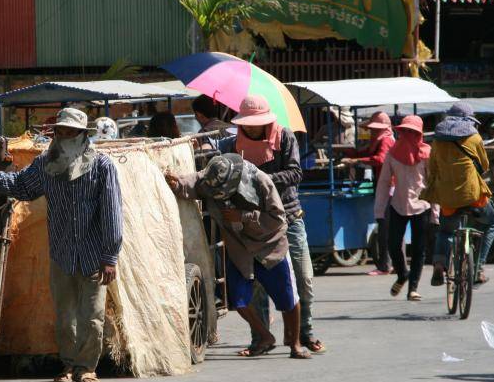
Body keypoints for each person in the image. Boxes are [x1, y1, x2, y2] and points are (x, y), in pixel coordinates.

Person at [0, 107, 123, 382]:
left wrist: (110, 257)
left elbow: (112, 212)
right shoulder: (46, 164)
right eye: (59, 131)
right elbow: (21, 184)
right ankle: (70, 364)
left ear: (82, 136)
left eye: (69, 132)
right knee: (64, 318)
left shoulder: (102, 166)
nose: (63, 136)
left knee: (92, 317)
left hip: (94, 255)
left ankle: (86, 368)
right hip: (61, 252)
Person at [165, 153, 311, 359]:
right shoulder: (211, 177)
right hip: (239, 248)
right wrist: (176, 182)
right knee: (239, 298)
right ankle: (264, 336)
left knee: (288, 297)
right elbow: (194, 181)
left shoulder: (261, 180)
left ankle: (295, 344)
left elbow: (277, 219)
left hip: (269, 246)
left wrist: (244, 216)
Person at [218, 95, 324, 355]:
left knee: (303, 279)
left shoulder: (285, 138)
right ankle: (260, 338)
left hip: (288, 217)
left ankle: (305, 333)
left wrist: (259, 180)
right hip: (251, 225)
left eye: (257, 123)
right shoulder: (232, 144)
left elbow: (295, 173)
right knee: (256, 286)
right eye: (248, 123)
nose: (252, 128)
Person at [423, 102, 494, 285]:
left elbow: (432, 169)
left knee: (445, 232)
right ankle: (479, 267)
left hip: (448, 199)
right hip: (473, 197)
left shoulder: (437, 140)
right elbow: (484, 165)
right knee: (493, 223)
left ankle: (440, 265)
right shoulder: (474, 137)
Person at [374, 116, 431, 301]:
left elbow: (432, 183)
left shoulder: (427, 153)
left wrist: (436, 213)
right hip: (398, 205)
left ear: (419, 134)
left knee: (418, 249)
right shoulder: (392, 153)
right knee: (392, 244)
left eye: (412, 132)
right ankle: (402, 274)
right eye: (405, 131)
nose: (408, 135)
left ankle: (412, 288)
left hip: (422, 205)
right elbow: (383, 183)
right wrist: (379, 210)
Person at [342, 111, 395, 275]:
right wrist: (350, 153)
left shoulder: (386, 140)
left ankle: (386, 266)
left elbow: (380, 159)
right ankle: (389, 265)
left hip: (390, 187)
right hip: (384, 185)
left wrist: (356, 160)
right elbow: (368, 154)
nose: (372, 132)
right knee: (387, 227)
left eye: (374, 129)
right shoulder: (380, 140)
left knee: (386, 227)